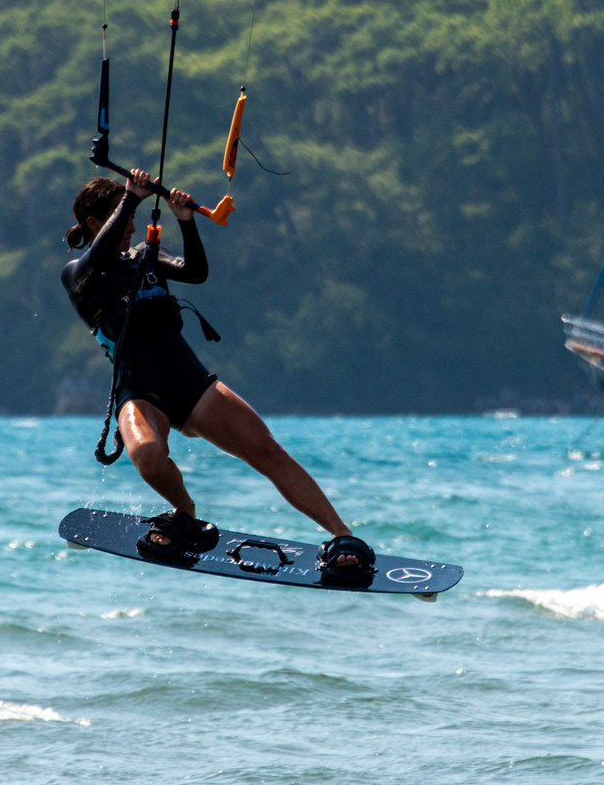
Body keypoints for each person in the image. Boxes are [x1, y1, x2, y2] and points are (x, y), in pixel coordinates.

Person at [60, 169, 371, 575]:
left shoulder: (143, 257)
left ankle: (342, 535)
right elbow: (97, 257)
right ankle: (185, 513)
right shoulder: (78, 275)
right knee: (148, 455)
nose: (133, 226)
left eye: (132, 214)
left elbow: (195, 272)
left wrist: (186, 222)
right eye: (122, 215)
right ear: (94, 224)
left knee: (267, 449)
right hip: (138, 391)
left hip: (189, 382)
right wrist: (132, 197)